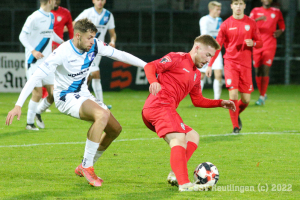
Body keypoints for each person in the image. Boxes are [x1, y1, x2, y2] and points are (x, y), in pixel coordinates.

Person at [6, 18, 146, 187]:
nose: (92, 41)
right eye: (89, 37)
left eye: (94, 37)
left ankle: (84, 165)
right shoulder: (62, 52)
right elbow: (36, 76)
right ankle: (88, 166)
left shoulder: (94, 45)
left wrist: (146, 66)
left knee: (115, 129)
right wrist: (18, 105)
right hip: (66, 97)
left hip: (83, 94)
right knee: (102, 114)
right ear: (78, 36)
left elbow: (120, 54)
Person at [142, 35, 236, 192]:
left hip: (165, 110)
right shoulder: (177, 58)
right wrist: (153, 81)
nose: (208, 60)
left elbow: (198, 100)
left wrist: (219, 103)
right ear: (197, 48)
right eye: (207, 55)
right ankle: (184, 184)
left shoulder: (196, 75)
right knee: (179, 138)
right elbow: (150, 66)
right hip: (158, 106)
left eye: (211, 57)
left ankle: (175, 175)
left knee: (193, 136)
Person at [19, 0, 64, 130]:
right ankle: (29, 123)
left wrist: (63, 42)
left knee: (54, 94)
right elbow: (22, 36)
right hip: (33, 61)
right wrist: (33, 50)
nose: (57, 1)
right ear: (49, 1)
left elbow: (50, 34)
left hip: (47, 62)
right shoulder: (33, 17)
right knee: (37, 93)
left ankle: (38, 111)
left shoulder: (51, 16)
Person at [73, 0, 116, 109]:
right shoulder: (87, 13)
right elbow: (74, 24)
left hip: (98, 49)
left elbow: (112, 33)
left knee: (88, 77)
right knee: (96, 73)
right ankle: (100, 104)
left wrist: (113, 41)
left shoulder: (108, 15)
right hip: (87, 49)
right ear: (93, 1)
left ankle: (77, 98)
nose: (100, 2)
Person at [250, 0, 285, 105]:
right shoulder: (255, 10)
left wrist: (281, 30)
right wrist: (258, 19)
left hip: (270, 44)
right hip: (257, 44)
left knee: (265, 69)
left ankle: (261, 96)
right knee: (257, 71)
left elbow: (282, 24)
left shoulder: (276, 11)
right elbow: (247, 24)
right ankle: (263, 94)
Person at [199, 1, 224, 99]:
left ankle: (216, 99)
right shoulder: (204, 20)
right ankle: (198, 98)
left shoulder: (219, 20)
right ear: (211, 9)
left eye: (220, 9)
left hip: (216, 51)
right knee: (201, 75)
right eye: (217, 9)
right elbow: (205, 37)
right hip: (205, 51)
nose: (219, 11)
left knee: (218, 74)